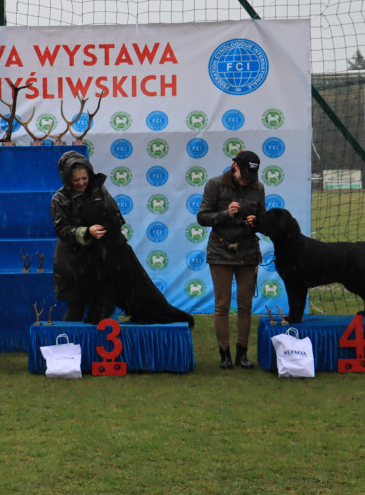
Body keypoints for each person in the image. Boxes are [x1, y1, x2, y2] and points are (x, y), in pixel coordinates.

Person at [50, 150, 195, 326]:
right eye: (76, 180)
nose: (81, 183)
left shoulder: (98, 189)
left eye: (84, 178)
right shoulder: (58, 199)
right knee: (77, 304)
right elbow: (62, 229)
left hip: (105, 255)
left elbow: (115, 215)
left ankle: (97, 341)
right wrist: (87, 231)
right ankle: (68, 345)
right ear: (67, 178)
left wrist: (108, 233)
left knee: (105, 298)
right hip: (76, 260)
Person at [197, 150, 266, 369]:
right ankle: (224, 354)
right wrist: (226, 213)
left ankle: (242, 354)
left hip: (248, 251)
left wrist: (257, 221)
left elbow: (263, 219)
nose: (247, 180)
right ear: (234, 166)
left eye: (251, 176)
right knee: (222, 305)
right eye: (244, 174)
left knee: (245, 306)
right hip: (220, 250)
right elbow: (202, 217)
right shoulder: (215, 185)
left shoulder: (258, 187)